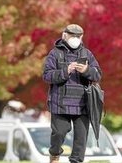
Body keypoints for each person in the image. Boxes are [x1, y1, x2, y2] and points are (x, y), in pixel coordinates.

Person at [42, 24, 102, 163]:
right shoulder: (55, 53)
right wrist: (65, 71)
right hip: (60, 103)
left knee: (81, 139)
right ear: (64, 35)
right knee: (59, 133)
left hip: (83, 103)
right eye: (72, 35)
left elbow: (98, 75)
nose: (75, 38)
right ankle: (54, 155)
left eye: (78, 36)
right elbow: (46, 76)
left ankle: (76, 161)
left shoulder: (87, 54)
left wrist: (87, 70)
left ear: (81, 37)